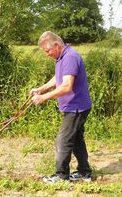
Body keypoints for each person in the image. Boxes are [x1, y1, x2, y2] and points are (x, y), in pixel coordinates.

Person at [30, 31, 92, 183]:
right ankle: (84, 172)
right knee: (76, 140)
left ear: (56, 45)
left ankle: (61, 175)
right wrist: (41, 89)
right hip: (76, 106)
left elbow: (66, 86)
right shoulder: (62, 57)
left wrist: (43, 97)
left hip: (76, 107)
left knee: (63, 140)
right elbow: (59, 78)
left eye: (47, 51)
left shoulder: (70, 57)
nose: (47, 54)